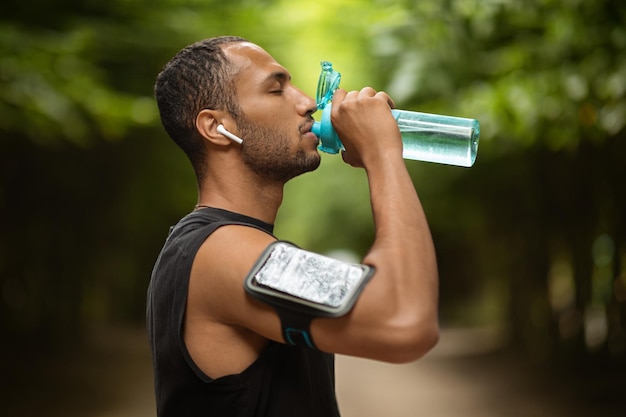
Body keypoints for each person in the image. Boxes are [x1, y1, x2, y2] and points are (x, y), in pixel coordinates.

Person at [147, 35, 439, 417]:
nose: (305, 103)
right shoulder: (218, 252)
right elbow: (404, 323)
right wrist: (383, 155)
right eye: (276, 89)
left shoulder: (224, 246)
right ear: (217, 127)